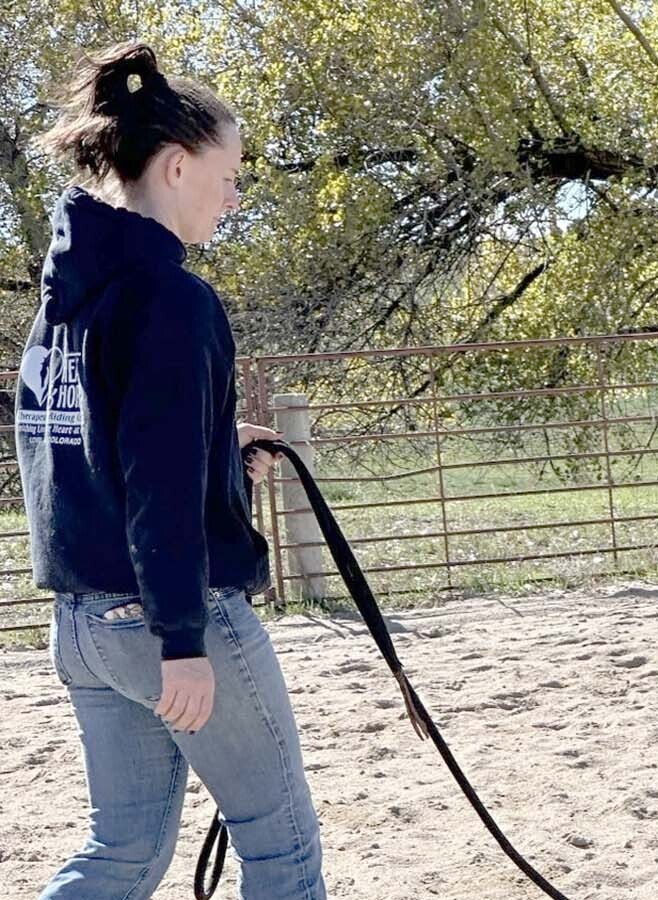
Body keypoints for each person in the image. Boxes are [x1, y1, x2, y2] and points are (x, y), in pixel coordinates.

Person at [18, 40, 325, 899]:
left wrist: (217, 453)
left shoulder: (67, 298)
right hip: (168, 624)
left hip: (82, 622)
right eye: (229, 177)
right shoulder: (172, 299)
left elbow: (78, 449)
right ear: (178, 165)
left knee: (121, 853)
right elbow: (156, 485)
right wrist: (183, 641)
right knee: (282, 843)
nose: (234, 198)